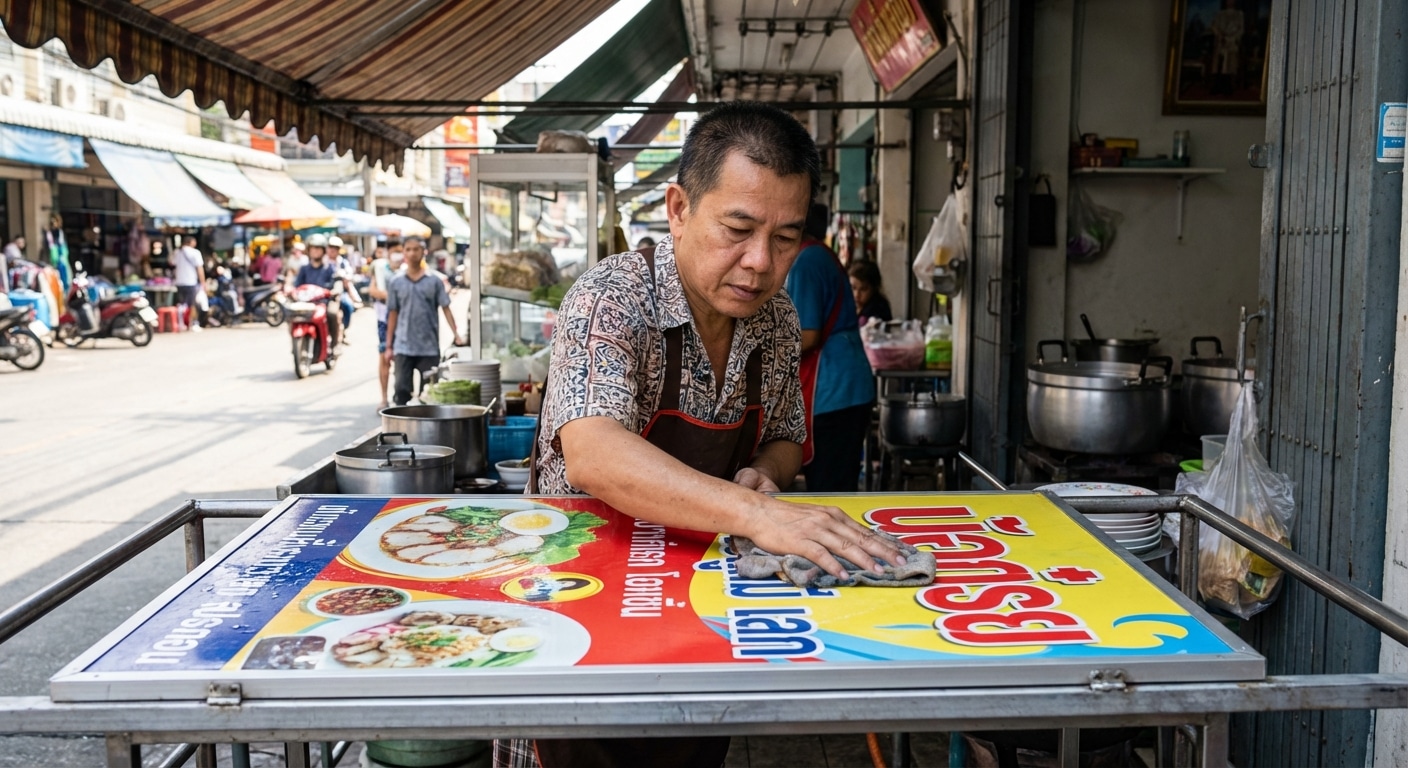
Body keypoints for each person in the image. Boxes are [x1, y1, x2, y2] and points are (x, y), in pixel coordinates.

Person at [516, 102, 903, 768]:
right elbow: (594, 454)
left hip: (700, 595)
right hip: (584, 600)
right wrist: (752, 510)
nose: (760, 261)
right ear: (677, 208)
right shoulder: (614, 296)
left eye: (786, 238)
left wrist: (768, 474)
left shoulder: (776, 319)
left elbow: (784, 437)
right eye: (739, 228)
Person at [785, 203, 875, 492]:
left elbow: (808, 335)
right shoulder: (819, 255)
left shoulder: (806, 262)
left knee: (829, 486)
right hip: (846, 384)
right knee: (837, 479)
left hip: (834, 390)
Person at [383, 236, 463, 406]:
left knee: (430, 395)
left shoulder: (434, 281)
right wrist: (389, 345)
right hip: (403, 346)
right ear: (403, 252)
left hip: (429, 347)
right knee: (401, 391)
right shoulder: (396, 282)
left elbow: (446, 308)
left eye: (416, 249)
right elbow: (393, 314)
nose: (412, 253)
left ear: (424, 252)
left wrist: (456, 334)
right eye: (408, 249)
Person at [286, 233, 344, 349]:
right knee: (291, 315)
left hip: (325, 302)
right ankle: (296, 345)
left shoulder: (330, 268)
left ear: (323, 250)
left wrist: (335, 291)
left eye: (318, 248)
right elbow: (297, 285)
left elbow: (337, 283)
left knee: (332, 313)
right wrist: (291, 291)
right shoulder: (304, 268)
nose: (315, 251)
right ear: (308, 250)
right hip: (307, 303)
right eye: (313, 248)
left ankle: (334, 344)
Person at [368, 244, 405, 409]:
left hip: (405, 321)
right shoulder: (380, 269)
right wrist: (394, 297)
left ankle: (402, 396)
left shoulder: (407, 270)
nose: (397, 255)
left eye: (399, 251)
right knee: (385, 357)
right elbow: (373, 290)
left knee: (403, 360)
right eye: (394, 252)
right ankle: (384, 398)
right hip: (384, 320)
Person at [327, 235, 358, 335]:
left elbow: (350, 275)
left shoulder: (343, 263)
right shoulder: (322, 262)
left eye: (335, 248)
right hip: (325, 291)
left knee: (348, 306)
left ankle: (343, 329)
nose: (332, 250)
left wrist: (344, 276)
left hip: (340, 292)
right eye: (331, 247)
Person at [173, 235, 206, 332]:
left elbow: (172, 264)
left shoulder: (177, 252)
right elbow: (200, 268)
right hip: (191, 281)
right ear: (191, 242)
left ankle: (180, 323)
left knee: (181, 304)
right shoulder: (195, 252)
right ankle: (193, 324)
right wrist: (203, 282)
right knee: (192, 304)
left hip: (179, 281)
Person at [848, 259, 892, 325]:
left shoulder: (878, 310)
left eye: (863, 289)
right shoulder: (846, 305)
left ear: (874, 288)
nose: (856, 294)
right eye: (853, 288)